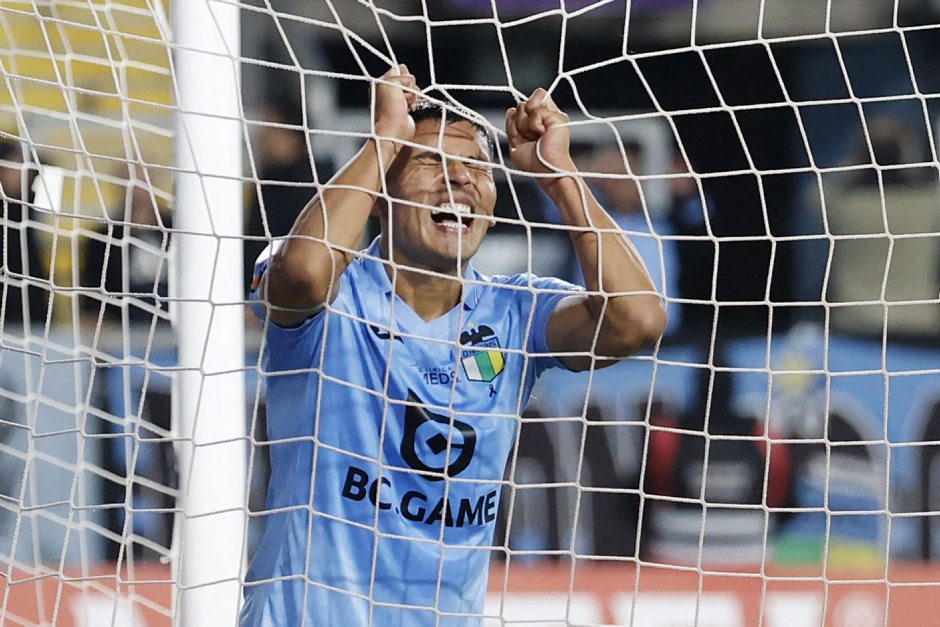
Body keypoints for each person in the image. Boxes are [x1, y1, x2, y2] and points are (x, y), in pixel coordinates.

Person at [241, 65, 667, 626]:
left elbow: (638, 322)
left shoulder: (514, 311)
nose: (460, 178)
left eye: (476, 167)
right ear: (378, 193)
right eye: (430, 161)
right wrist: (386, 136)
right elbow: (300, 275)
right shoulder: (334, 290)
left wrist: (560, 176)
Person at [0, 139, 47, 331]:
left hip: (29, 308)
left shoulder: (29, 205)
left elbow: (50, 165)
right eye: (16, 165)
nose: (23, 172)